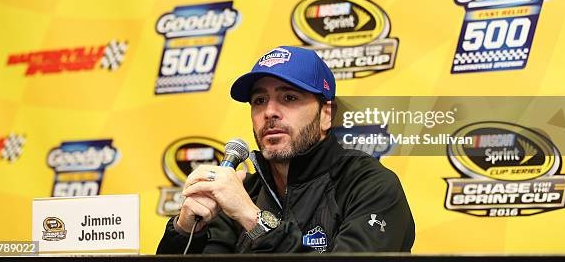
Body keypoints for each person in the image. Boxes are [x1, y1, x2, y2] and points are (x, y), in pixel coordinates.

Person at [157, 46, 414, 254]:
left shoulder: (370, 185)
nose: (269, 112)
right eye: (259, 101)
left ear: (326, 114)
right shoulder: (243, 192)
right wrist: (185, 232)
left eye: (289, 98)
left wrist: (254, 219)